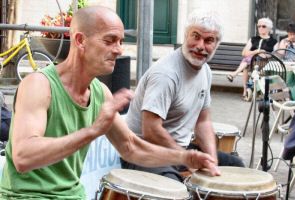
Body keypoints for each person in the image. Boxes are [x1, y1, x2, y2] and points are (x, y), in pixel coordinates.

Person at [0, 6, 220, 199]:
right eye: (110, 40)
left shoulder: (100, 92)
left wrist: (185, 156)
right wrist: (93, 131)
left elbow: (130, 147)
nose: (118, 50)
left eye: (121, 42)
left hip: (72, 195)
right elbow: (23, 156)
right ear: (80, 40)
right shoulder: (38, 85)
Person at [121, 10, 245, 182]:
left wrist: (212, 159)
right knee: (173, 185)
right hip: (143, 152)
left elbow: (203, 121)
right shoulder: (166, 74)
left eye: (209, 40)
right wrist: (186, 158)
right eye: (196, 36)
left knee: (235, 167)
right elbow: (150, 130)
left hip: (179, 150)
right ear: (186, 35)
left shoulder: (205, 71)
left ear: (217, 44)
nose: (201, 46)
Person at [226, 18, 277, 101]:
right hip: (252, 62)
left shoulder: (273, 41)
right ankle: (245, 91)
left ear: (269, 28)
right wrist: (256, 51)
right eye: (259, 26)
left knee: (246, 64)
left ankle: (234, 74)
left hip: (265, 64)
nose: (260, 28)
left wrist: (266, 55)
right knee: (247, 62)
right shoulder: (253, 39)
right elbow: (244, 53)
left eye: (263, 26)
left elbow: (276, 55)